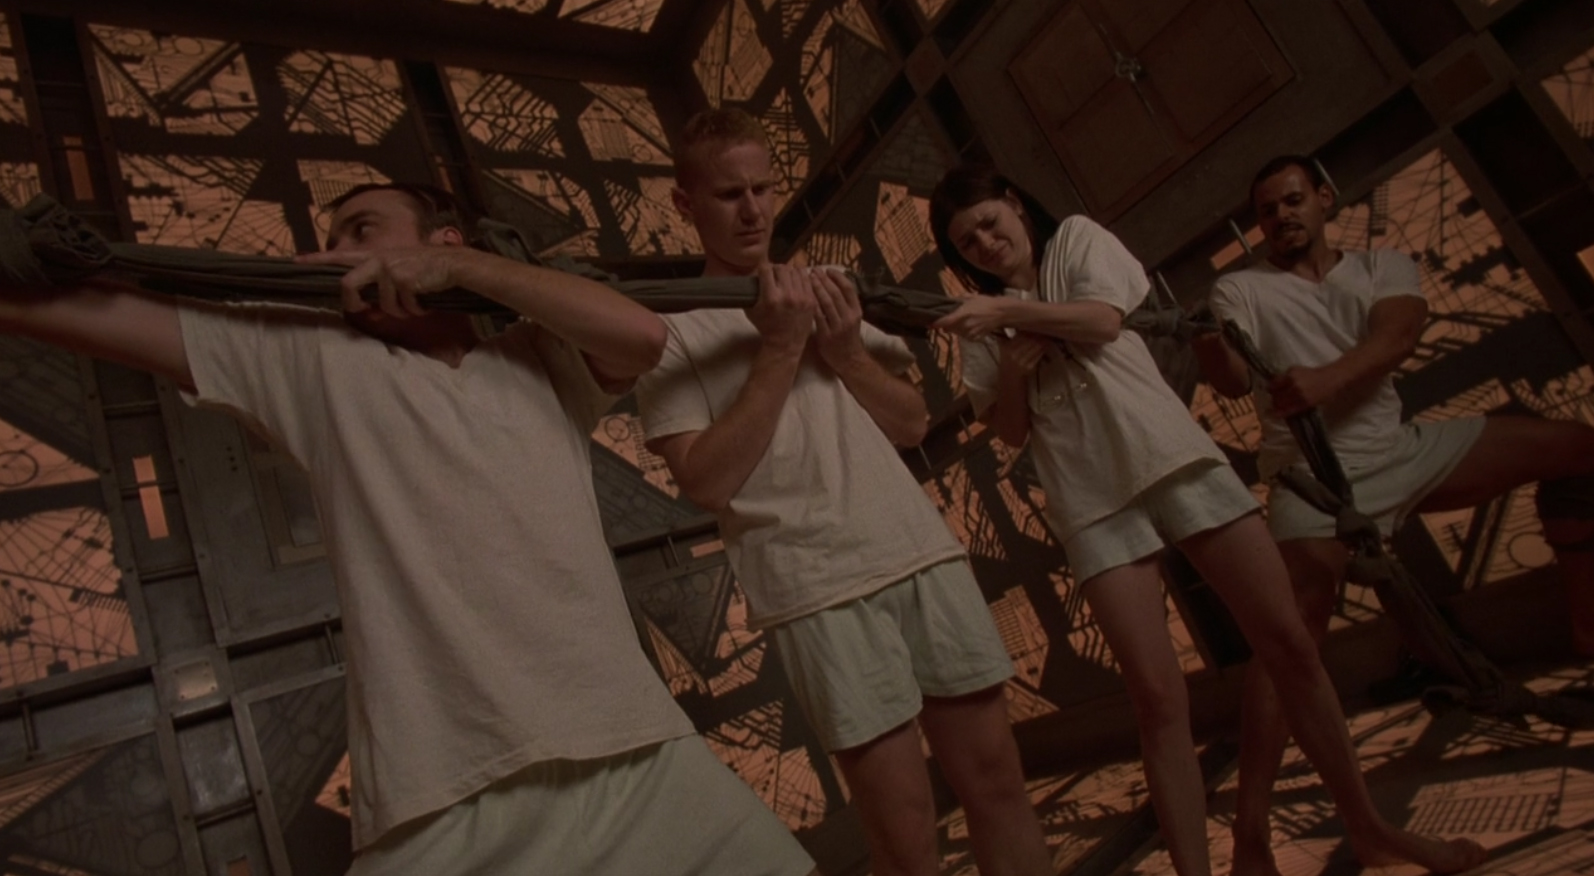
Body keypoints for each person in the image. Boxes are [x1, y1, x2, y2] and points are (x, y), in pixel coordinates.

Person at [0, 182, 816, 876]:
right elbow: (83, 309)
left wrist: (463, 271)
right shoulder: (311, 357)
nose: (338, 255)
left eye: (361, 231)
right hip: (444, 796)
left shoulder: (538, 356)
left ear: (444, 244)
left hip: (636, 749)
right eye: (331, 243)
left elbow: (640, 335)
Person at [928, 162, 1487, 876]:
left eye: (988, 223)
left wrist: (1009, 317)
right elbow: (1009, 430)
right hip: (1090, 500)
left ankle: (1370, 828)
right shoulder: (980, 323)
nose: (984, 243)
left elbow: (1103, 320)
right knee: (1158, 699)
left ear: (1013, 203)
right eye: (966, 243)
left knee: (1289, 645)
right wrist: (1011, 365)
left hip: (1173, 459)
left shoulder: (1074, 241)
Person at [633, 108, 1054, 876]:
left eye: (762, 188)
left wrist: (844, 352)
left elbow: (909, 422)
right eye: (729, 194)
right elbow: (705, 482)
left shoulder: (828, 292)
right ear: (685, 204)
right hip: (815, 589)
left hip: (916, 553)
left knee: (999, 786)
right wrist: (780, 349)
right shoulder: (671, 332)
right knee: (904, 830)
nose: (753, 209)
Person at [1195, 154, 1594, 876]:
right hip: (1311, 481)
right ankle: (1251, 839)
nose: (1281, 216)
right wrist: (1205, 346)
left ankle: (1589, 633)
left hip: (1400, 451)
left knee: (1578, 450)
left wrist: (1324, 381)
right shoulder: (1240, 288)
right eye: (1267, 210)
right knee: (1287, 646)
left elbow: (1398, 335)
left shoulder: (1384, 265)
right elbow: (1229, 376)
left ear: (1324, 198)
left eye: (1293, 200)